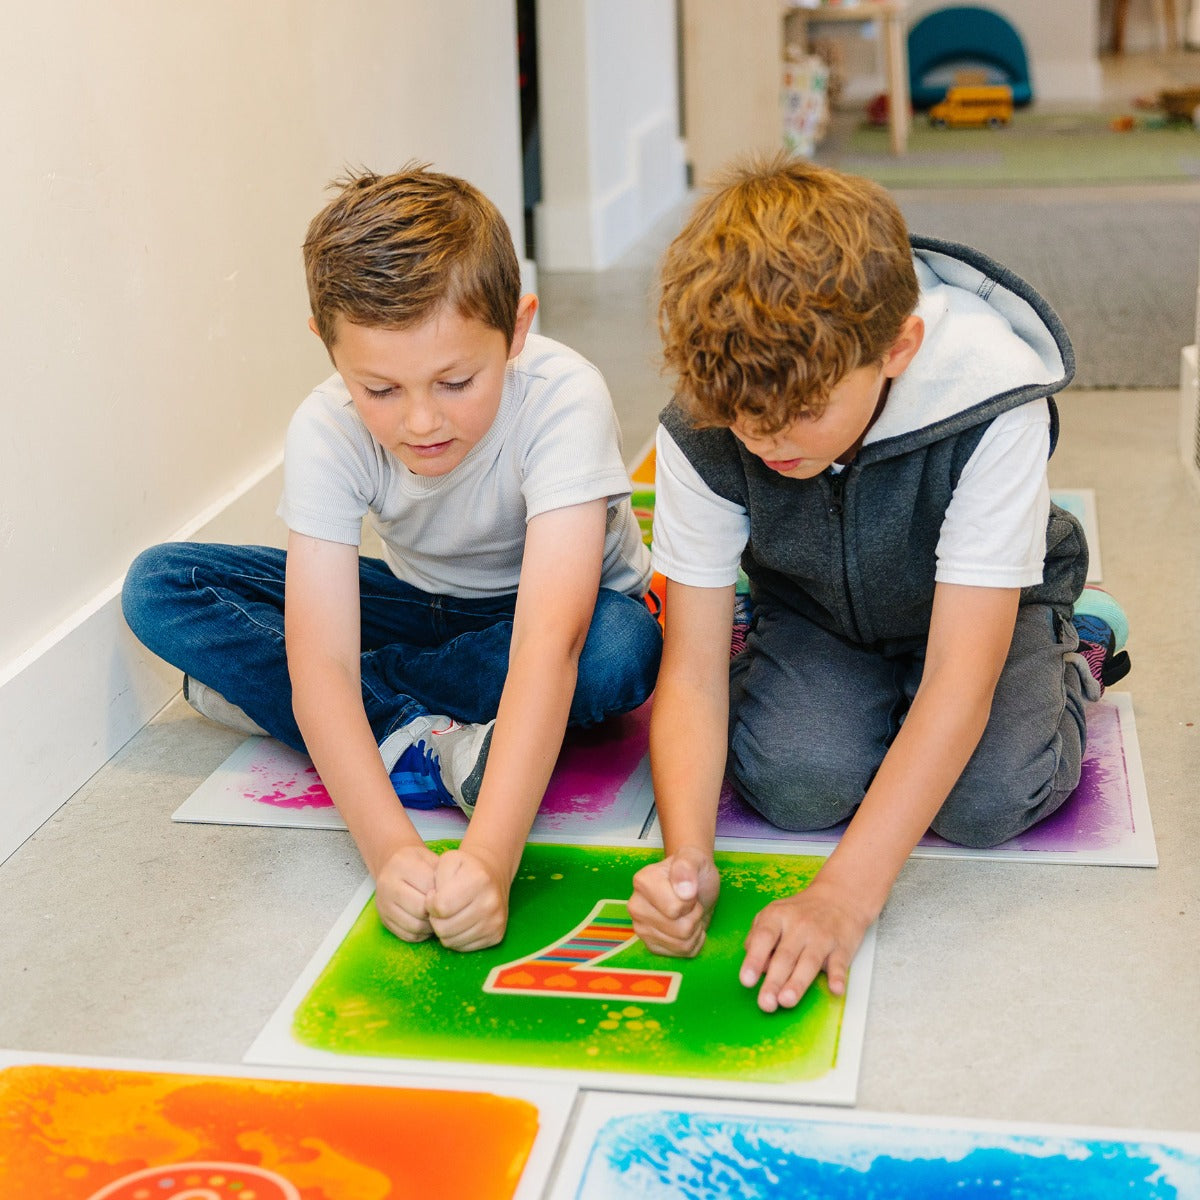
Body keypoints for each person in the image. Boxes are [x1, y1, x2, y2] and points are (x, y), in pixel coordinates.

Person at [628, 155, 1125, 1013]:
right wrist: (687, 857)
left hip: (981, 615)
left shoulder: (990, 403)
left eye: (800, 413)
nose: (763, 439)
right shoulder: (711, 422)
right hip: (819, 611)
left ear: (897, 347)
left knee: (992, 798)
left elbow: (959, 686)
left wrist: (843, 897)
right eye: (741, 418)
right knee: (792, 786)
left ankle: (1075, 650)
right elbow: (693, 672)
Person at [123, 165, 662, 952]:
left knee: (621, 647)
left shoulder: (563, 396)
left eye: (455, 381)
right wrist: (391, 853)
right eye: (379, 389)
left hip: (551, 617)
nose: (420, 421)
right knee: (163, 583)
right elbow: (323, 662)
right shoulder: (326, 427)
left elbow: (553, 644)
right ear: (327, 347)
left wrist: (488, 859)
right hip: (421, 607)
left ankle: (334, 708)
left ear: (517, 329)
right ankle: (427, 737)